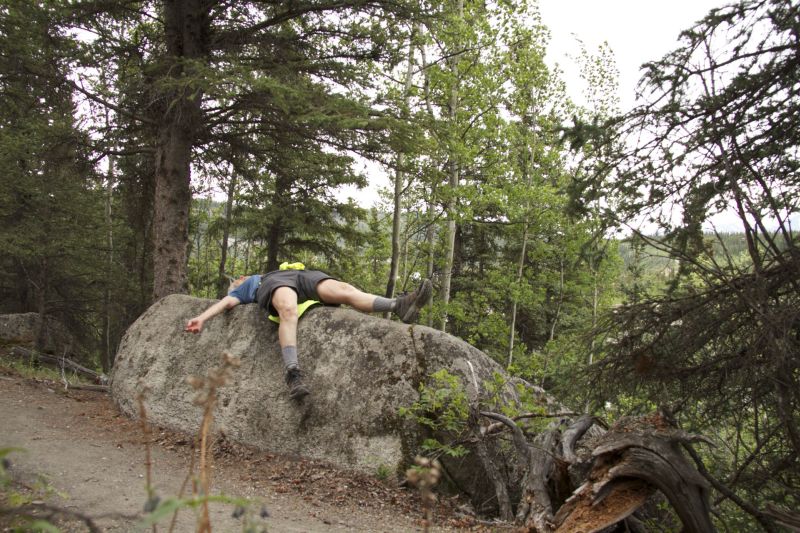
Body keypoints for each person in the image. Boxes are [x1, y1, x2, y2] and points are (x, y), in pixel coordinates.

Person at [185, 264, 432, 400]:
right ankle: (293, 373)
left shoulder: (262, 272)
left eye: (234, 284)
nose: (234, 287)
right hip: (275, 284)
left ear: (242, 276)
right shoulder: (245, 288)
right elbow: (226, 302)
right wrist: (202, 317)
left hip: (301, 276)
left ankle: (398, 305)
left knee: (345, 290)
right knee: (288, 310)